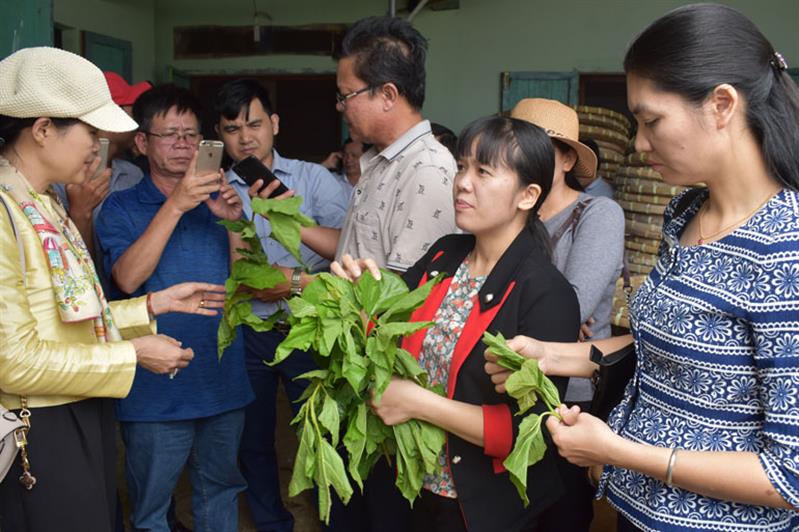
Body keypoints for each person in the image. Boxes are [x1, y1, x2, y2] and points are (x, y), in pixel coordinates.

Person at [486, 4, 799, 531]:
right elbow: (671, 350)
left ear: (722, 104)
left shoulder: (785, 248)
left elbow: (788, 476)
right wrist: (553, 355)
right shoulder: (684, 213)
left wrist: (619, 451)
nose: (638, 143)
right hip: (639, 514)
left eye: (651, 121)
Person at [0, 47, 221, 532]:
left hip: (79, 402)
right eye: (91, 133)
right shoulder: (5, 211)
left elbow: (68, 316)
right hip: (38, 424)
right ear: (41, 129)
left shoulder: (43, 200)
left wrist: (152, 305)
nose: (99, 147)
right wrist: (132, 355)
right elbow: (12, 360)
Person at [332, 115, 581, 532]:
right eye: (462, 167)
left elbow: (526, 434)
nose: (463, 182)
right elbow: (388, 329)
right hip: (410, 481)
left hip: (477, 504)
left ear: (527, 195)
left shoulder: (546, 293)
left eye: (484, 172)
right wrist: (362, 294)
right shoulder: (444, 255)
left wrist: (416, 401)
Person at [96, 84, 252, 532]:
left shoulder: (220, 202)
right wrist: (177, 204)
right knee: (151, 508)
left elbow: (247, 284)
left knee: (220, 492)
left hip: (222, 379)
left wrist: (235, 224)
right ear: (142, 143)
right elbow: (127, 278)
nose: (184, 145)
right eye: (170, 135)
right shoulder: (121, 208)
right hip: (154, 388)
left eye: (193, 135)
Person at [213, 78, 350, 532]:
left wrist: (292, 277)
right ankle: (273, 523)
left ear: (274, 123)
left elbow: (350, 253)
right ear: (220, 133)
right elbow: (232, 267)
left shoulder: (316, 180)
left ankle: (335, 520)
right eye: (232, 128)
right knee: (252, 440)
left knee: (321, 435)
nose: (245, 136)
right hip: (250, 330)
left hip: (306, 328)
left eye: (254, 123)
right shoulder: (214, 190)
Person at [510, 98, 625, 530]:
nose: (520, 157)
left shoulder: (597, 213)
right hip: (511, 377)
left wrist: (516, 310)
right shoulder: (513, 212)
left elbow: (569, 308)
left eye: (536, 146)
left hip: (570, 395)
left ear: (566, 158)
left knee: (560, 513)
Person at [334, 15, 457, 272]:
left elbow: (404, 292)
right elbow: (355, 249)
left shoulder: (427, 171)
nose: (340, 106)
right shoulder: (381, 160)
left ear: (388, 95)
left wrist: (296, 281)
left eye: (346, 96)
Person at [52, 71, 152, 268]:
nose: (140, 118)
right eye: (132, 108)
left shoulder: (133, 174)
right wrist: (80, 212)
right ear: (107, 117)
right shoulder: (58, 180)